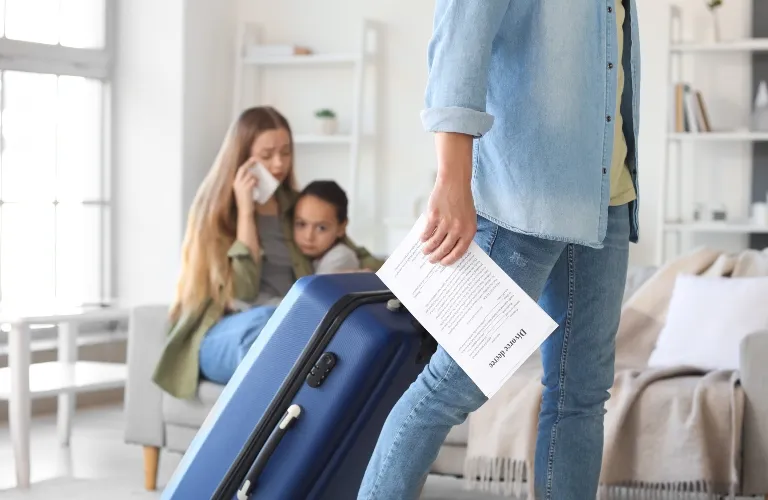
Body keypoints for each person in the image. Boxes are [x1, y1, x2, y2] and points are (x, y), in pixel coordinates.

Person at [358, 1, 640, 499]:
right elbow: (459, 44)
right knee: (450, 387)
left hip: (607, 199)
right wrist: (452, 180)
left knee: (582, 397)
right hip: (523, 197)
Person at [152, 106, 383, 398]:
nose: (278, 164)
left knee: (311, 327)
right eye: (267, 155)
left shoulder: (296, 206)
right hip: (225, 331)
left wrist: (364, 277)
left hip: (290, 326)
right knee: (271, 323)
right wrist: (247, 212)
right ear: (243, 158)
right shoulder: (212, 213)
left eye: (286, 153)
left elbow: (356, 252)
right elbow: (244, 292)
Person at [292, 180, 362, 274]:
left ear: (341, 228)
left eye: (321, 228)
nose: (308, 237)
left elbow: (316, 288)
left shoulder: (340, 257)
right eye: (301, 224)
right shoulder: (309, 258)